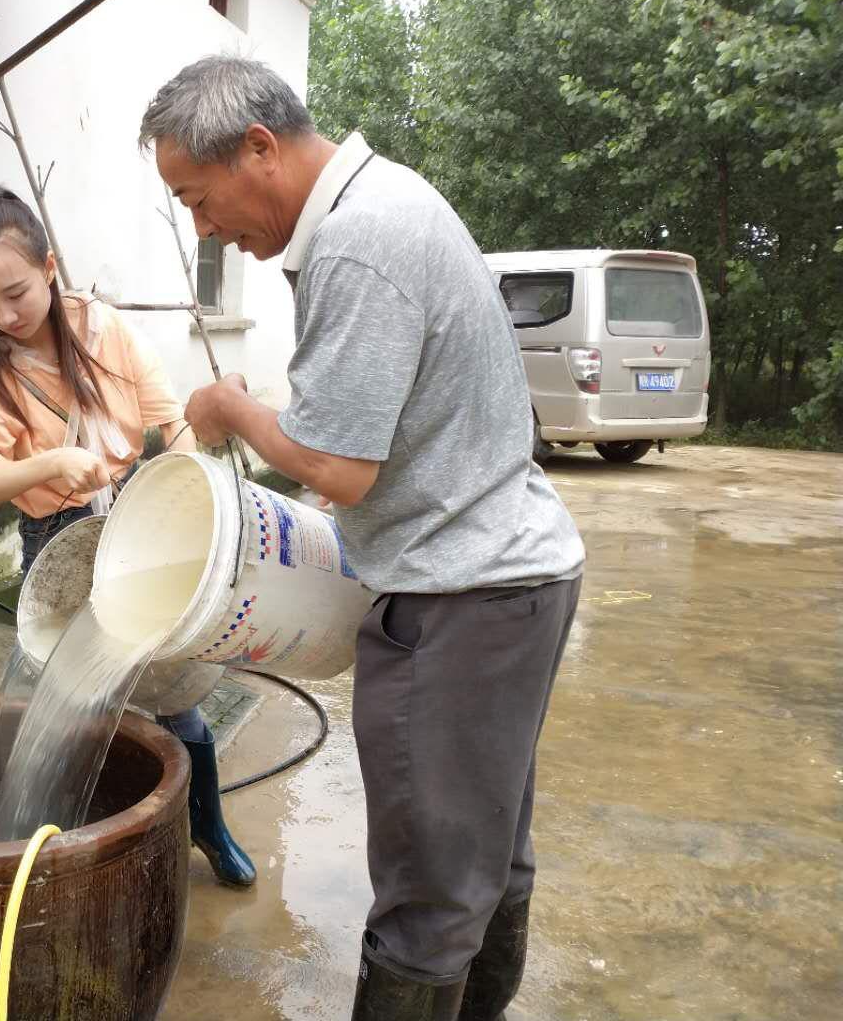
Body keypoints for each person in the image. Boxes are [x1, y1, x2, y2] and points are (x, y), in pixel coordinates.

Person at [138, 57, 586, 1019]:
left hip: (464, 593)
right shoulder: (385, 199)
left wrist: (228, 406)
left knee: (430, 885)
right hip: (511, 574)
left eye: (198, 198)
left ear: (259, 147)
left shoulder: (357, 242)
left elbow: (340, 470)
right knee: (482, 844)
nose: (203, 227)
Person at [0, 185, 255, 887]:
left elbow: (171, 424)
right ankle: (80, 848)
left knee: (176, 693)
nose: (4, 315)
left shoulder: (102, 329)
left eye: (16, 293)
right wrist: (51, 461)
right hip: (56, 536)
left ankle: (207, 827)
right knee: (73, 704)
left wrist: (191, 497)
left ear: (49, 267)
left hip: (138, 523)